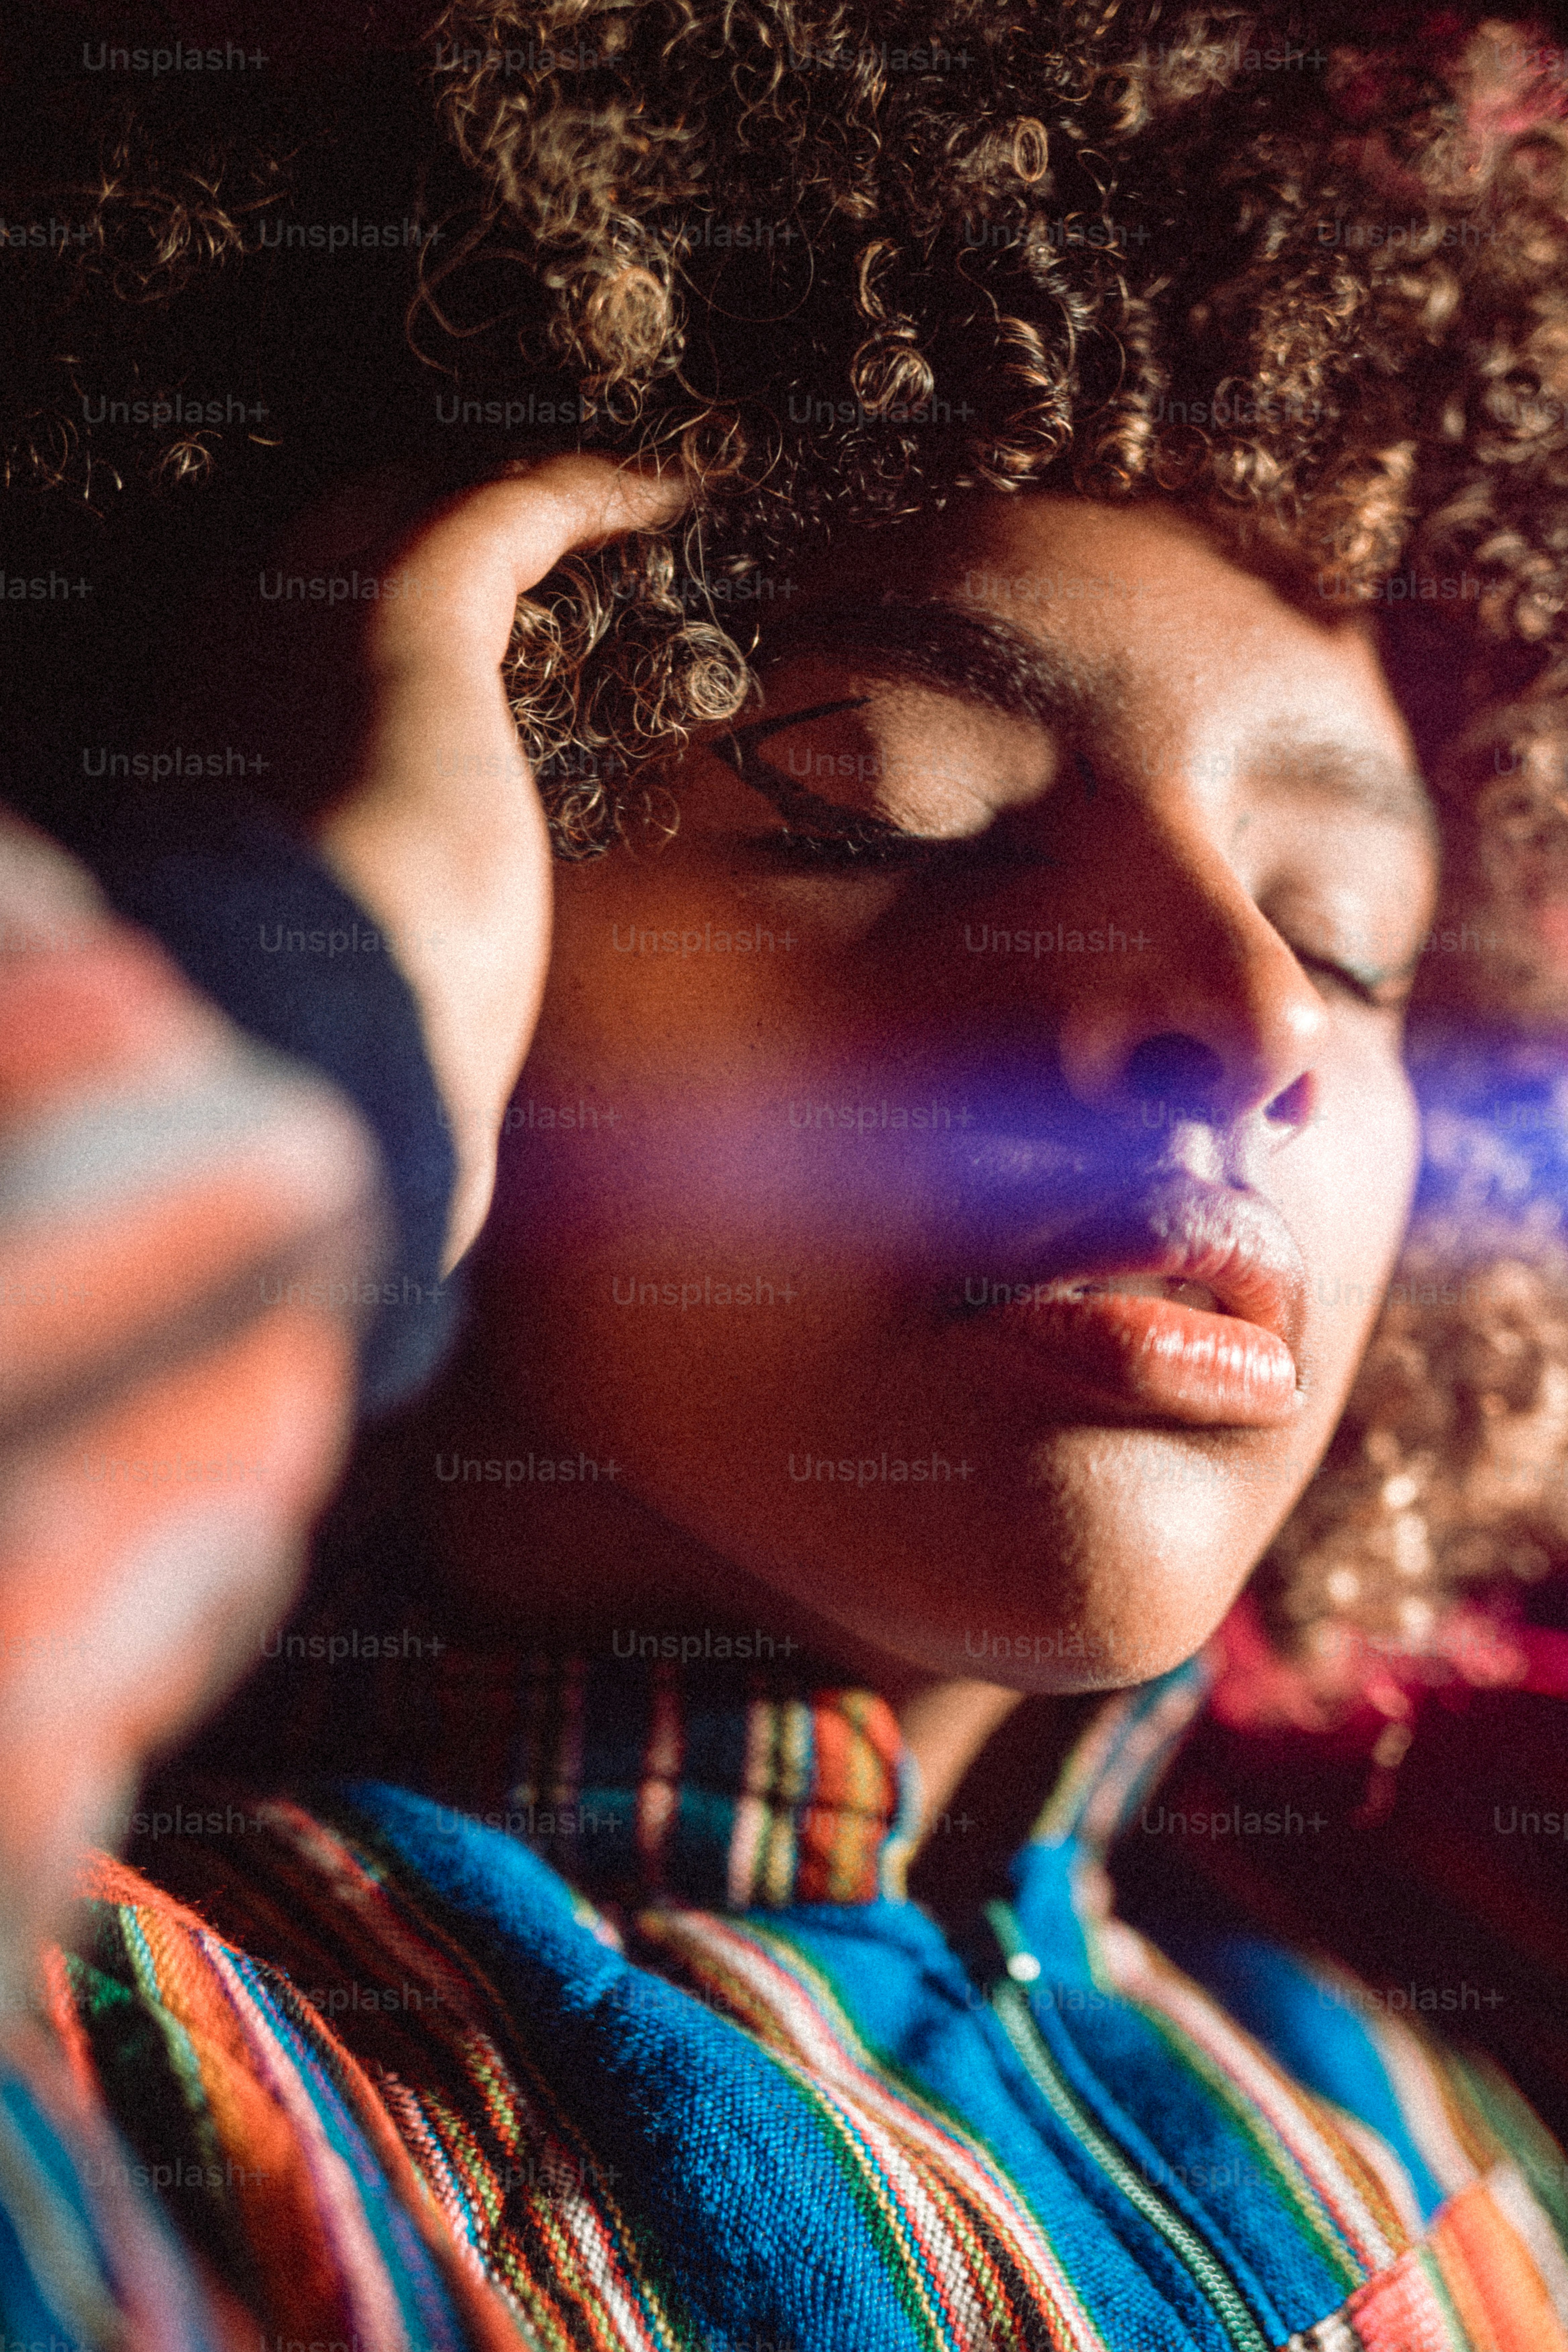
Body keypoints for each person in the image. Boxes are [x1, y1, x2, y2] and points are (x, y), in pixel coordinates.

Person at [7, 1, 1568, 2344]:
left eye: (1343, 945)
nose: (1247, 1028)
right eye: (883, 808)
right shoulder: (108, 2037)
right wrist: (309, 1013)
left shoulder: (1469, 2177)